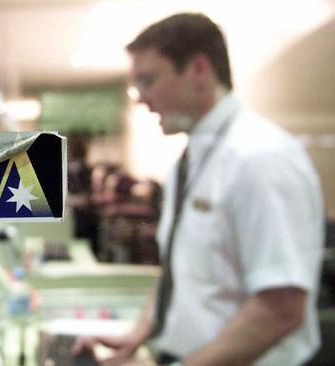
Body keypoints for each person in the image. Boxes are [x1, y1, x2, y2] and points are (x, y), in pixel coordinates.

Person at [73, 13, 324, 366]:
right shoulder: (190, 161)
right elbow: (181, 268)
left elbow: (280, 309)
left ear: (199, 70)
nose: (141, 99)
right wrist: (138, 334)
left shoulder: (261, 159)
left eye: (148, 81)